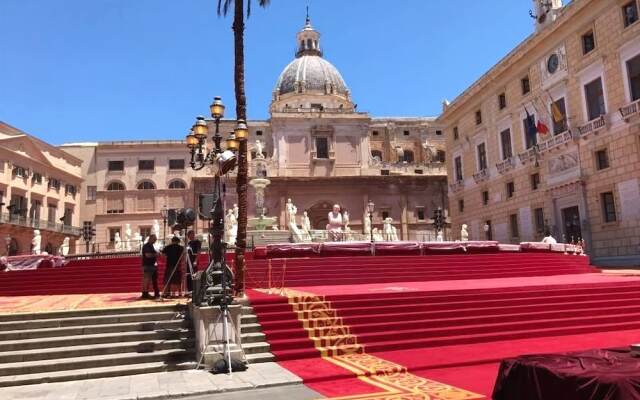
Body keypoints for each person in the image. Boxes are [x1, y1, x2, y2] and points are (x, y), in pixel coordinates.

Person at [141, 234, 159, 299]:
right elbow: (147, 255)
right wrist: (156, 254)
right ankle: (145, 293)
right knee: (146, 279)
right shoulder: (146, 246)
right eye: (154, 239)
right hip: (148, 265)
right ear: (150, 238)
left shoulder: (151, 246)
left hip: (151, 265)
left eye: (155, 240)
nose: (155, 241)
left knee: (151, 279)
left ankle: (148, 293)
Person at [186, 230, 202, 296]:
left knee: (194, 274)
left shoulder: (197, 242)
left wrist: (196, 260)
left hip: (194, 260)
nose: (192, 235)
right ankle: (190, 290)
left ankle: (195, 289)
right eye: (191, 234)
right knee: (188, 275)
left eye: (193, 234)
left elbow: (198, 252)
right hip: (189, 260)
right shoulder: (189, 243)